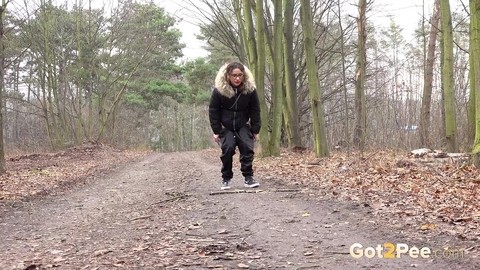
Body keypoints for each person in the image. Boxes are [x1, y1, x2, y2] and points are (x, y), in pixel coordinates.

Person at [208, 62, 261, 190]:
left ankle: (248, 178)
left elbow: (255, 110)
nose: (237, 78)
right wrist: (216, 130)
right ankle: (226, 178)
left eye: (240, 75)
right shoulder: (219, 91)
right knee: (228, 148)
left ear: (243, 76)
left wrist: (255, 129)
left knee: (247, 148)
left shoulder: (250, 91)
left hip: (243, 124)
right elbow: (213, 110)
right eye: (234, 75)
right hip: (225, 126)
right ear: (228, 76)